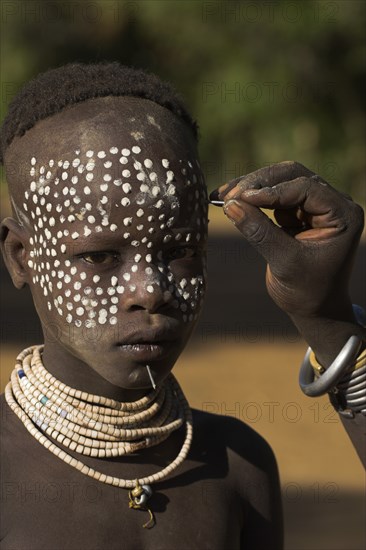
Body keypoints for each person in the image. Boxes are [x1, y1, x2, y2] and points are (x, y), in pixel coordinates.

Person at [0, 62, 364, 550]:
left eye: (181, 250)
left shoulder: (239, 465)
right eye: (100, 256)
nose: (149, 290)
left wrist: (324, 318)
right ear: (22, 257)